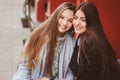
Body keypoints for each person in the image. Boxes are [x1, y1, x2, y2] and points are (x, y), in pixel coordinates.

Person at [12, 2, 75, 80]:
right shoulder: (38, 35)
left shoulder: (72, 43)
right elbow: (25, 66)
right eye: (62, 17)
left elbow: (70, 72)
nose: (64, 23)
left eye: (70, 20)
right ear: (56, 15)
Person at [70, 2, 120, 80]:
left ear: (91, 21)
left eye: (83, 20)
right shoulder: (83, 36)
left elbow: (88, 75)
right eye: (75, 18)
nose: (77, 23)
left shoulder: (90, 42)